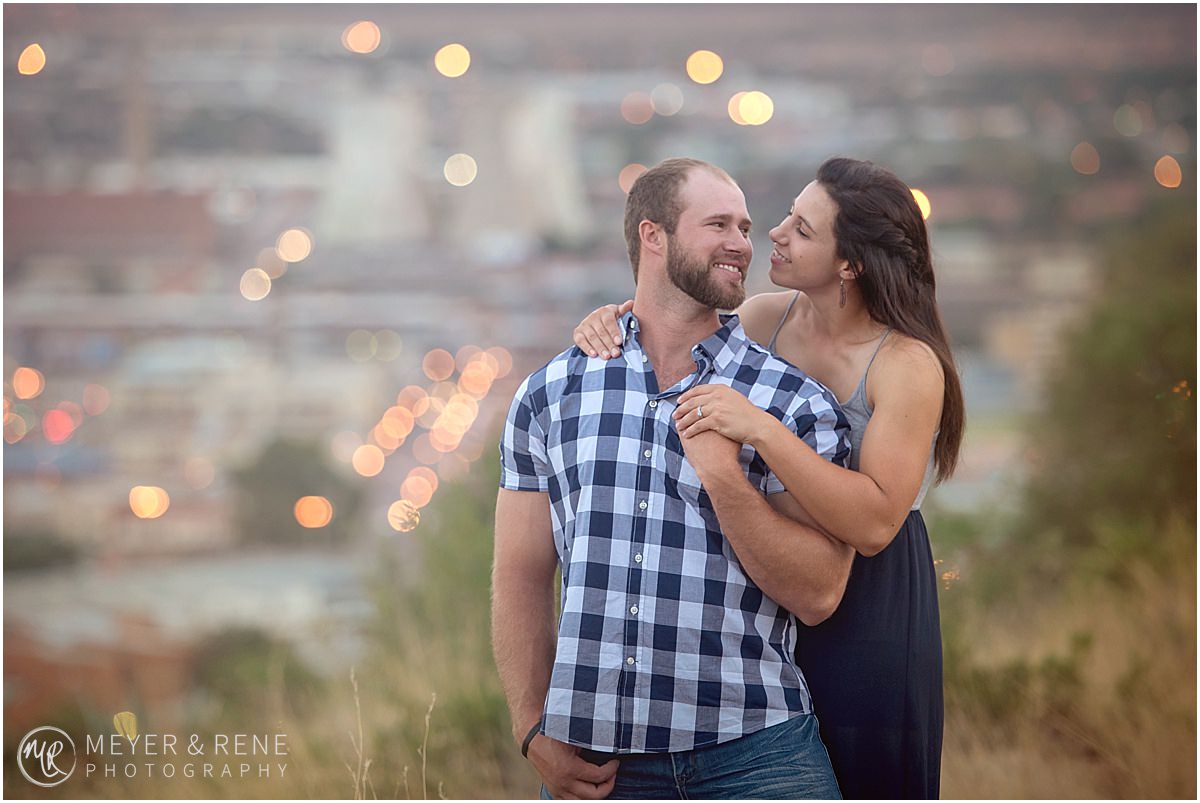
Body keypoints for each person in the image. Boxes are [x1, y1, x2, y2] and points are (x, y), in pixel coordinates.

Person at [572, 156, 965, 799]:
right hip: (771, 581)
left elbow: (873, 524)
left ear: (850, 265)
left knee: (865, 775)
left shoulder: (906, 364)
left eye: (803, 230)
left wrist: (761, 429)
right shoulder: (764, 318)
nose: (775, 235)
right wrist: (609, 320)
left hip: (871, 599)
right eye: (786, 216)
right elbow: (677, 325)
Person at [492, 157, 857, 800]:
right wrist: (530, 725)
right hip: (598, 770)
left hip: (758, 757)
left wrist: (722, 477)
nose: (742, 244)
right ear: (652, 236)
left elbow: (820, 592)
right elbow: (521, 573)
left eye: (745, 228)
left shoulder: (792, 403)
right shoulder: (551, 394)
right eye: (718, 224)